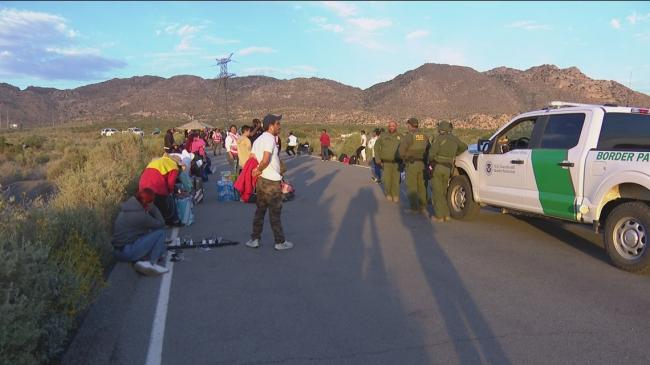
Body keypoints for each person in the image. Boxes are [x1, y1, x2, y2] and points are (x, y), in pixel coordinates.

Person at [245, 114, 294, 251]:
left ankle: (254, 239)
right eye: (278, 124)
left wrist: (256, 170)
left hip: (262, 182)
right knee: (275, 212)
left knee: (260, 211)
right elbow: (265, 159)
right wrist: (259, 169)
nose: (280, 126)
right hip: (271, 182)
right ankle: (280, 242)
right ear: (271, 125)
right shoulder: (270, 139)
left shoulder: (258, 140)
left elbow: (252, 157)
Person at [112, 188, 169, 276]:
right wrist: (153, 208)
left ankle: (143, 260)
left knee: (154, 238)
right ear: (147, 202)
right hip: (128, 252)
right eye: (152, 201)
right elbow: (161, 224)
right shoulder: (141, 216)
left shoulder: (128, 207)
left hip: (118, 251)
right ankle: (151, 263)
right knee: (160, 233)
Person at [428, 120, 468, 222]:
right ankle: (446, 214)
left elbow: (431, 154)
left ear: (441, 128)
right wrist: (454, 153)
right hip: (448, 168)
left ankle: (439, 216)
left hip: (438, 167)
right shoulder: (454, 139)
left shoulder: (439, 139)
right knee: (444, 191)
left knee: (437, 191)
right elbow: (464, 147)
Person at [139, 154, 182, 225]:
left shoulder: (161, 161)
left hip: (143, 184)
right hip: (156, 186)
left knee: (148, 207)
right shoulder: (173, 166)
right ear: (177, 163)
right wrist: (171, 192)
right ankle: (171, 222)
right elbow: (170, 183)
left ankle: (148, 224)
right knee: (163, 206)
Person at [398, 117, 430, 214]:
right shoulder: (424, 136)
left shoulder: (409, 136)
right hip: (422, 164)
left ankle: (414, 208)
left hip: (411, 164)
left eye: (407, 125)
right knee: (422, 186)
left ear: (410, 125)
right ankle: (423, 206)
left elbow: (401, 151)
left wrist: (404, 159)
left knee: (412, 186)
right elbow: (429, 149)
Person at [374, 121, 401, 202]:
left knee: (396, 180)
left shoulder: (401, 136)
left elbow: (405, 148)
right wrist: (378, 159)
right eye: (390, 126)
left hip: (397, 162)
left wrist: (404, 160)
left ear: (396, 126)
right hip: (386, 162)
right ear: (388, 127)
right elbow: (376, 147)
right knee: (386, 180)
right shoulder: (383, 136)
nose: (391, 127)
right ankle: (388, 193)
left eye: (393, 126)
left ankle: (395, 194)